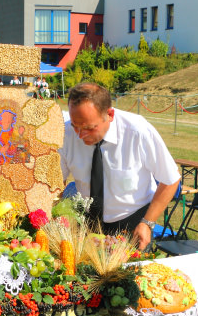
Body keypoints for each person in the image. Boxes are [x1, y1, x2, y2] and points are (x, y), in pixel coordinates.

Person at [59, 83, 180, 249]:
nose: (80, 135)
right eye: (75, 126)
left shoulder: (138, 131)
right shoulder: (66, 134)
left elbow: (170, 179)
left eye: (89, 128)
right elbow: (55, 182)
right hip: (87, 223)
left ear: (109, 114)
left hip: (132, 224)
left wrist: (147, 222)